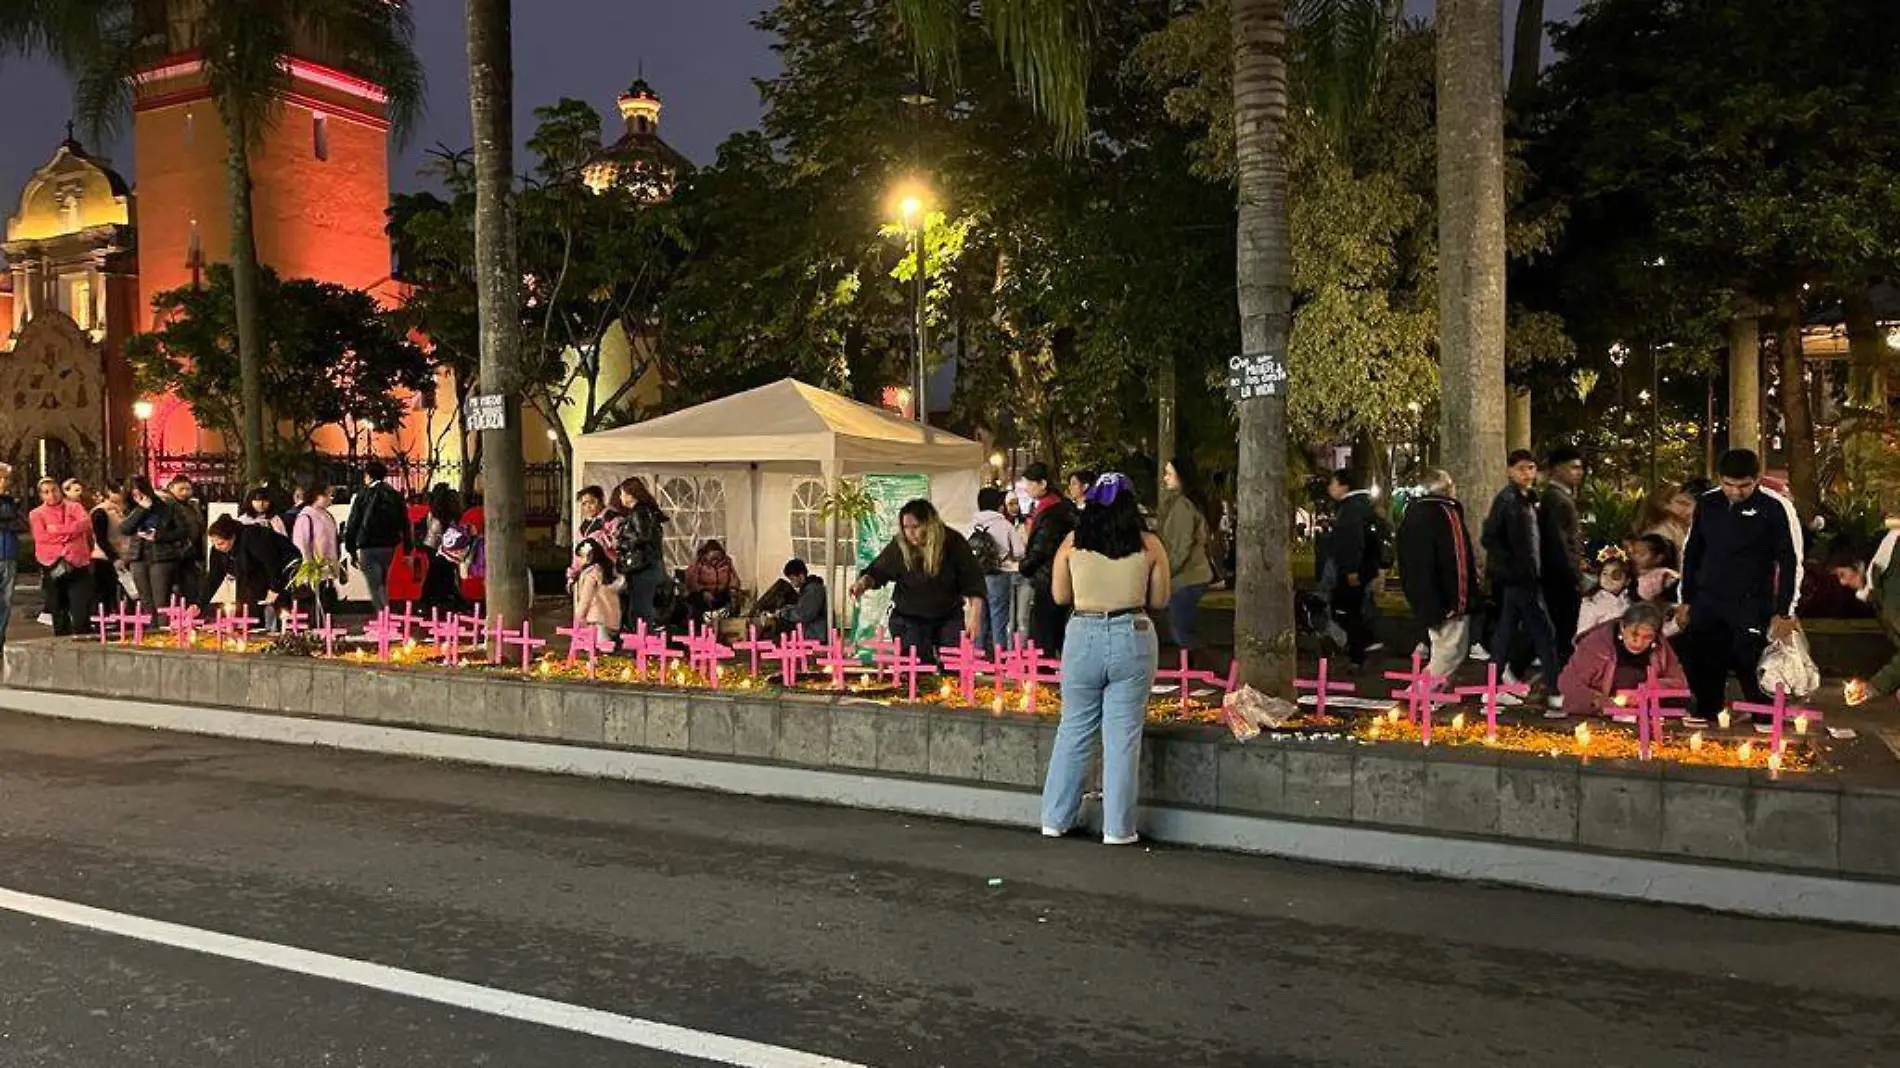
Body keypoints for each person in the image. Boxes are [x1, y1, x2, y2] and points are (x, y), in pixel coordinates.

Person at [1039, 472, 1171, 846]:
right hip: (1133, 633)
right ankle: (1118, 828)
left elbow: (1060, 596)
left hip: (1082, 634)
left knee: (1074, 728)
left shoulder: (1071, 543)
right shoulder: (1150, 545)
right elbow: (1160, 599)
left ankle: (1055, 818)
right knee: (1123, 736)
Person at [1678, 449, 1802, 722]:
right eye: (1728, 484)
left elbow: (1790, 560)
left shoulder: (1775, 507)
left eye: (1743, 485)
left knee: (1751, 658)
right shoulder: (1707, 504)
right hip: (1708, 598)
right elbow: (1692, 553)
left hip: (1752, 599)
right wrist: (1685, 599)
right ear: (1719, 479)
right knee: (1705, 654)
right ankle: (1708, 709)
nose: (1735, 492)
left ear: (1757, 479)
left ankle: (1766, 716)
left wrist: (1785, 610)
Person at [850, 499, 985, 666]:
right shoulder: (900, 545)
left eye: (915, 527)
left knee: (953, 666)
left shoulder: (953, 542)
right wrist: (862, 584)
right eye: (906, 528)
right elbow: (878, 571)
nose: (910, 533)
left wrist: (974, 616)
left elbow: (973, 580)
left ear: (929, 524)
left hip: (947, 615)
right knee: (917, 670)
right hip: (909, 618)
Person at [1482, 450, 1561, 698]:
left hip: (1525, 577)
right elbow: (1490, 537)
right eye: (1521, 469)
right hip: (1520, 577)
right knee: (1544, 633)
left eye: (1530, 468)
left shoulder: (1528, 499)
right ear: (1509, 471)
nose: (1527, 474)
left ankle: (1494, 687)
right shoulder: (1507, 500)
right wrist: (1512, 567)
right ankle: (1555, 689)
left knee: (1507, 633)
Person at [1396, 469, 1482, 682]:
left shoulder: (1412, 514)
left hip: (1422, 593)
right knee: (1450, 652)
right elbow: (1457, 559)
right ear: (1447, 488)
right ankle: (1420, 697)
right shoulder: (1445, 513)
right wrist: (1460, 602)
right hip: (1445, 597)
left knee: (1442, 650)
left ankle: (1430, 698)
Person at [1557, 602, 1687, 717]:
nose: (1638, 642)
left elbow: (1679, 683)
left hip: (1641, 713)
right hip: (1598, 714)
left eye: (1647, 637)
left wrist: (1649, 690)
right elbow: (1567, 681)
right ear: (1622, 627)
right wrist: (1599, 701)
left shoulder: (1660, 647)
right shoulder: (1596, 643)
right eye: (1634, 634)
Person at [1832, 526, 1900, 706]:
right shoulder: (1883, 586)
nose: (1843, 582)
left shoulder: (1893, 589)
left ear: (1860, 566)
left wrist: (1876, 686)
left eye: (1843, 574)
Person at [1325, 469, 1384, 668]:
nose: (1330, 488)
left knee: (1347, 610)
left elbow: (1351, 541)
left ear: (1344, 486)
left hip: (1354, 569)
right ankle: (1364, 643)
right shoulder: (1364, 506)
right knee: (1356, 608)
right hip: (1365, 567)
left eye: (1333, 483)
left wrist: (1351, 569)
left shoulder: (1350, 510)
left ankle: (1360, 647)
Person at [1157, 455, 1214, 660]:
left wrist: (1166, 572)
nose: (1165, 478)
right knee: (1181, 628)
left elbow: (1181, 547)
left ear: (1182, 476)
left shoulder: (1183, 506)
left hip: (1188, 577)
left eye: (1169, 474)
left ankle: (1208, 670)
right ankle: (1193, 669)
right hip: (1190, 576)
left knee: (1180, 630)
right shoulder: (1186, 503)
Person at [1019, 463, 1079, 654]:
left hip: (1048, 579)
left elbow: (1041, 549)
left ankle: (1046, 678)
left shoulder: (1051, 513)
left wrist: (1024, 566)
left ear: (1042, 483)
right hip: (1062, 576)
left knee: (1044, 634)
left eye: (1029, 484)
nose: (1026, 488)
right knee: (1058, 632)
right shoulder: (1060, 507)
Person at [201, 514, 301, 626]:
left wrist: (275, 588)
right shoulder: (217, 550)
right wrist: (199, 603)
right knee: (247, 607)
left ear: (233, 537)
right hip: (252, 575)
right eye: (214, 543)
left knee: (279, 609)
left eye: (221, 543)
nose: (217, 547)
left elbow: (272, 562)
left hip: (281, 570)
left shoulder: (253, 536)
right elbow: (213, 577)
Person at [29, 477, 96, 636]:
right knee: (58, 611)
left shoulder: (75, 507)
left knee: (81, 612)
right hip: (52, 566)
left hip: (78, 564)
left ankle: (83, 644)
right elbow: (42, 537)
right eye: (46, 492)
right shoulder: (36, 514)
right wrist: (71, 533)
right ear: (41, 496)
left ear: (60, 490)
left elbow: (85, 524)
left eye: (54, 490)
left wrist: (56, 530)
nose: (51, 494)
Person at [120, 476, 192, 616]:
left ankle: (163, 632)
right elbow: (125, 529)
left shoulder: (166, 505)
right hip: (138, 556)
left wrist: (159, 536)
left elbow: (183, 530)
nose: (138, 497)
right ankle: (150, 632)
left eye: (140, 492)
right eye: (134, 494)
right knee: (145, 601)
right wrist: (141, 509)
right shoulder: (132, 508)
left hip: (161, 556)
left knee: (161, 601)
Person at [343, 461, 410, 612]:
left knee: (375, 584)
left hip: (368, 545)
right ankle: (385, 615)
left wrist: (351, 549)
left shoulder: (363, 495)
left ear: (368, 476)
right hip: (389, 545)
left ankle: (384, 616)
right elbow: (405, 522)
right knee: (382, 581)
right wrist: (407, 548)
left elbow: (353, 522)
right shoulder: (394, 495)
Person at [1540, 446, 1586, 666]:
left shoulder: (1557, 497)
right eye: (1573, 467)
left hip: (1558, 576)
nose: (1579, 472)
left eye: (1580, 468)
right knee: (1563, 631)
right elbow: (1559, 544)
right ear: (1557, 469)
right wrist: (1574, 576)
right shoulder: (1557, 499)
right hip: (1560, 579)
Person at [967, 486, 1024, 652]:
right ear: (1000, 506)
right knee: (999, 618)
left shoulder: (971, 525)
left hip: (975, 578)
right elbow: (1020, 552)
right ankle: (999, 659)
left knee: (978, 617)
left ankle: (978, 657)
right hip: (999, 575)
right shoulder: (1005, 525)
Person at [612, 476, 669, 630]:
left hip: (643, 567)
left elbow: (643, 537)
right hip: (647, 565)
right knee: (641, 608)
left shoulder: (640, 512)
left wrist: (621, 542)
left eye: (622, 493)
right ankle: (643, 643)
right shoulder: (644, 511)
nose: (620, 497)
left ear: (630, 494)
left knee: (641, 610)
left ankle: (644, 645)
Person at [291, 480, 343, 625]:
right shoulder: (306, 517)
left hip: (327, 569)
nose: (330, 498)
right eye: (327, 495)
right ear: (316, 496)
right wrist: (308, 567)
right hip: (313, 571)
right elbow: (301, 544)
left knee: (327, 604)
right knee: (314, 606)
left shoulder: (327, 516)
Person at [419, 485, 467, 613]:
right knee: (446, 573)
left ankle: (430, 602)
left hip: (433, 544)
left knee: (436, 572)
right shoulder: (450, 508)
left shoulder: (434, 510)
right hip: (445, 544)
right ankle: (450, 602)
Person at [90, 481, 135, 613]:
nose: (121, 494)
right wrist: (114, 558)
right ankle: (104, 620)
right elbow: (100, 538)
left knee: (128, 592)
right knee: (105, 593)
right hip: (104, 559)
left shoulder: (126, 510)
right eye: (117, 491)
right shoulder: (100, 511)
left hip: (125, 557)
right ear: (108, 492)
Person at [570, 536, 623, 642]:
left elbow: (586, 598)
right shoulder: (610, 570)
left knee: (598, 652)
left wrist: (578, 618)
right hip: (613, 619)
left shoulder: (591, 574)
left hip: (596, 618)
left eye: (580, 556)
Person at [165, 476, 207, 605]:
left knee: (193, 589)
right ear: (171, 488)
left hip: (192, 554)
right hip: (174, 554)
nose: (185, 492)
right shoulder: (167, 504)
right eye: (181, 489)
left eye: (188, 489)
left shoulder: (193, 506)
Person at [684, 539, 740, 623]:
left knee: (733, 603)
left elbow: (734, 579)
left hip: (721, 595)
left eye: (718, 558)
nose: (715, 561)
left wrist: (733, 591)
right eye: (712, 558)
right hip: (702, 595)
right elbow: (691, 581)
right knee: (694, 603)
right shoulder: (699, 564)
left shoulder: (726, 564)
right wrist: (703, 591)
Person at [1635, 484, 1698, 558]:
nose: (1690, 510)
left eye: (1691, 504)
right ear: (1664, 505)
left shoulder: (1688, 531)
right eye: (1682, 503)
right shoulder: (1659, 535)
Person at [1577, 556, 1633, 636]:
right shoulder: (1591, 603)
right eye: (1605, 573)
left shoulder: (1629, 601)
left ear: (1627, 581)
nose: (1608, 578)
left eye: (1616, 574)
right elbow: (1583, 633)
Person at [776, 558, 830, 642]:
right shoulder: (809, 589)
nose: (792, 583)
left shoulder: (814, 590)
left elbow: (805, 614)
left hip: (817, 637)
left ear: (801, 576)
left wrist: (783, 612)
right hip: (814, 634)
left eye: (792, 579)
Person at [0, 464, 23, 655]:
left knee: (6, 601)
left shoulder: (10, 502)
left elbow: (22, 524)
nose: (3, 483)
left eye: (5, 479)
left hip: (8, 555)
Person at [1630, 533, 1680, 606]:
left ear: (1658, 558)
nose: (1636, 557)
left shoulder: (1665, 576)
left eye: (1642, 554)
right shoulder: (1632, 577)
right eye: (1634, 552)